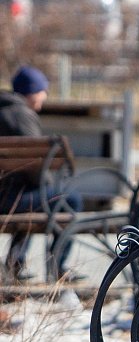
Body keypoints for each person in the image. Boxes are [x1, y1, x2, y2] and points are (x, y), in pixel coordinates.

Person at [0, 65, 84, 282]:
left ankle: (14, 264)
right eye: (42, 90)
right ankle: (58, 268)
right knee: (70, 199)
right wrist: (47, 183)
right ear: (31, 92)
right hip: (9, 200)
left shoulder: (4, 110)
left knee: (34, 199)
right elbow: (36, 168)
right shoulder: (21, 116)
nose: (45, 96)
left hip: (8, 195)